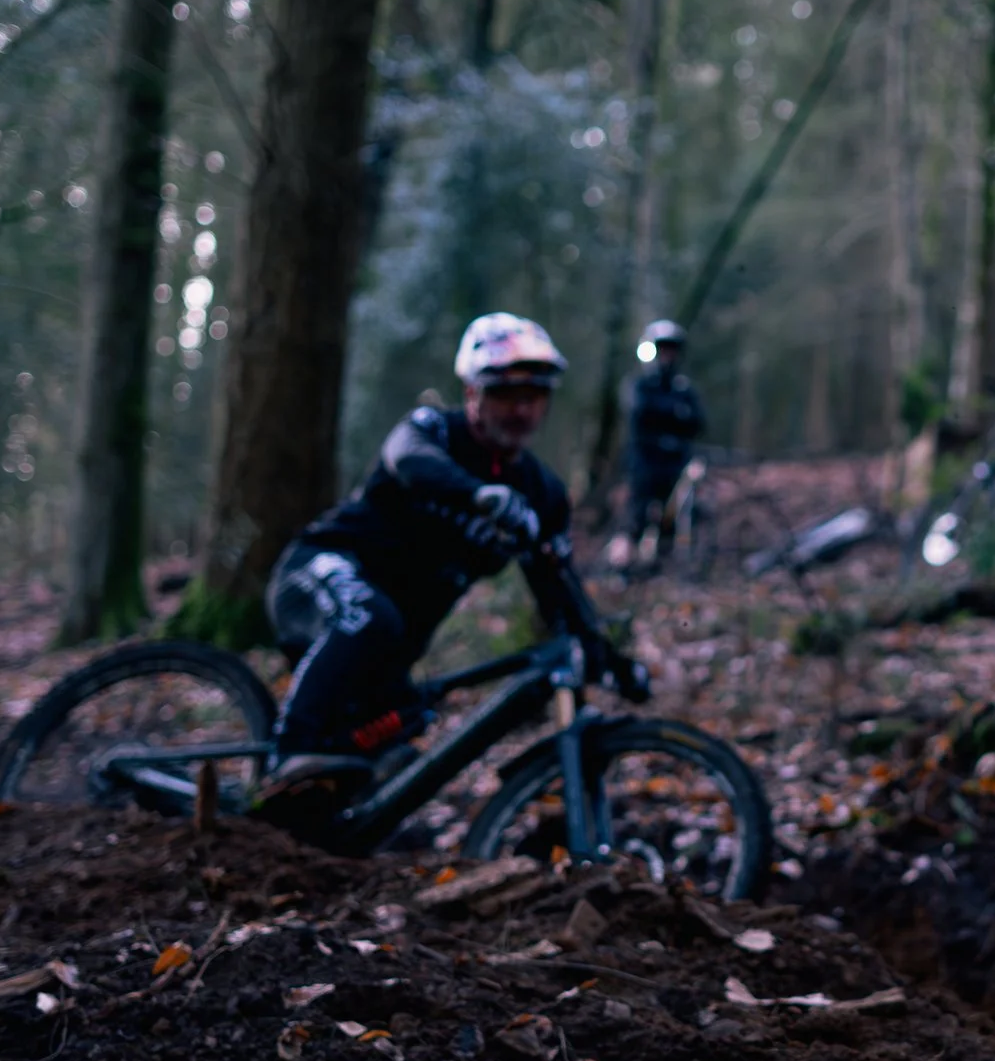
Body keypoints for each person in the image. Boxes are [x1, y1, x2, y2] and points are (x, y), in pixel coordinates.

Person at [258, 312, 648, 809]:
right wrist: (478, 494)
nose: (522, 410)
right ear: (472, 394)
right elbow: (407, 458)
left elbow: (558, 587)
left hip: (392, 649)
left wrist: (612, 663)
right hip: (319, 576)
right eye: (506, 394)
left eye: (535, 396)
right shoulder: (433, 431)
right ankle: (286, 755)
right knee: (369, 618)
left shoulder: (542, 493)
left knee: (400, 737)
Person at [616, 319, 707, 569]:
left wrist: (672, 417)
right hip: (645, 462)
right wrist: (674, 414)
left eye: (672, 349)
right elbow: (640, 415)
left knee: (674, 516)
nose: (667, 355)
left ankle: (660, 566)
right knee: (637, 516)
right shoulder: (640, 384)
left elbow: (697, 422)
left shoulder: (683, 388)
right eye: (663, 348)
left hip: (676, 463)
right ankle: (623, 565)